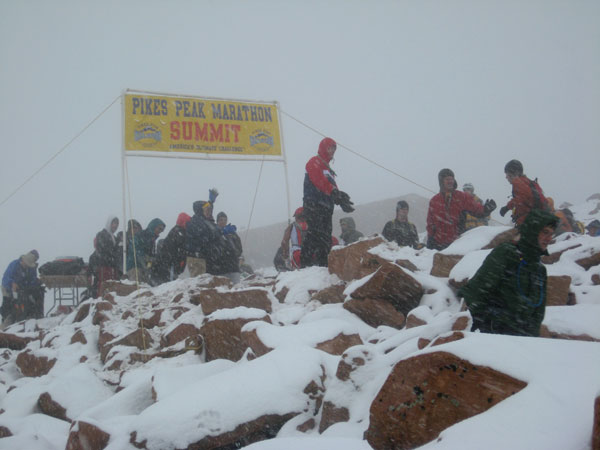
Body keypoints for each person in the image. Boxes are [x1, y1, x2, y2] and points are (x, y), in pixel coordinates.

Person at [458, 209, 559, 337]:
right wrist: (486, 324)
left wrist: (531, 340)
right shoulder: (507, 253)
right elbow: (477, 291)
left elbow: (538, 314)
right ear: (533, 230)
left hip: (522, 342)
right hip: (494, 336)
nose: (549, 238)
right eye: (545, 232)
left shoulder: (539, 269)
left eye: (551, 234)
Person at [300, 137, 354, 267]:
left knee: (325, 240)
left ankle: (322, 267)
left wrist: (341, 199)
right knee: (314, 236)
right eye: (330, 148)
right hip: (314, 206)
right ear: (323, 148)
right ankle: (305, 267)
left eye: (334, 149)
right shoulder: (314, 162)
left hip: (326, 209)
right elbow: (319, 181)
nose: (332, 151)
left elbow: (330, 187)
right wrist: (335, 192)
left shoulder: (327, 168)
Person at [426, 169, 496, 250]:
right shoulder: (434, 201)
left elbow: (476, 209)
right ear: (441, 181)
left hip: (457, 243)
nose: (450, 181)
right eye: (447, 179)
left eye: (452, 179)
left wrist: (486, 209)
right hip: (438, 244)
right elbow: (430, 223)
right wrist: (430, 238)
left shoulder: (461, 197)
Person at [186, 193, 240, 282]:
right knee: (200, 285)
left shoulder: (204, 220)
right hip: (197, 259)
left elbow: (211, 227)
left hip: (205, 259)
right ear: (200, 210)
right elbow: (206, 235)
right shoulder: (196, 222)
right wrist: (222, 231)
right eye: (206, 209)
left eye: (209, 209)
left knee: (206, 286)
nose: (208, 211)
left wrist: (210, 202)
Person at [499, 159, 549, 227]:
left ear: (513, 173)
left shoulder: (518, 183)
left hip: (529, 224)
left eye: (507, 174)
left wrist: (507, 208)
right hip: (538, 220)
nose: (506, 177)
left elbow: (519, 200)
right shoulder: (530, 183)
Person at [1, 251, 43, 324]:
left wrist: (37, 282)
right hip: (8, 289)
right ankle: (6, 323)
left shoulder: (31, 268)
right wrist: (12, 283)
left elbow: (32, 279)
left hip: (22, 290)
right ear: (23, 261)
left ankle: (28, 318)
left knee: (28, 303)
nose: (27, 266)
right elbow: (5, 279)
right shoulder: (14, 265)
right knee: (8, 308)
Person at [151, 212, 191, 285]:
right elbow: (179, 250)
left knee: (168, 283)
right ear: (183, 222)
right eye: (187, 222)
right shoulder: (178, 232)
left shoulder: (177, 231)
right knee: (169, 284)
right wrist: (179, 262)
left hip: (168, 263)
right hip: (170, 264)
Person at [126, 218, 166, 284]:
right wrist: (146, 258)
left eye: (162, 230)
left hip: (143, 269)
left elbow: (150, 255)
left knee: (142, 291)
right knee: (135, 290)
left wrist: (150, 263)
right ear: (154, 226)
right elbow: (135, 250)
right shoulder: (141, 235)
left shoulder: (152, 239)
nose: (160, 231)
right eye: (159, 228)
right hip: (134, 268)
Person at [91, 215, 121, 298]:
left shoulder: (114, 237)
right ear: (109, 223)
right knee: (102, 287)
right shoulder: (102, 234)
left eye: (117, 224)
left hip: (111, 267)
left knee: (111, 288)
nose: (115, 226)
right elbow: (104, 249)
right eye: (114, 223)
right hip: (103, 266)